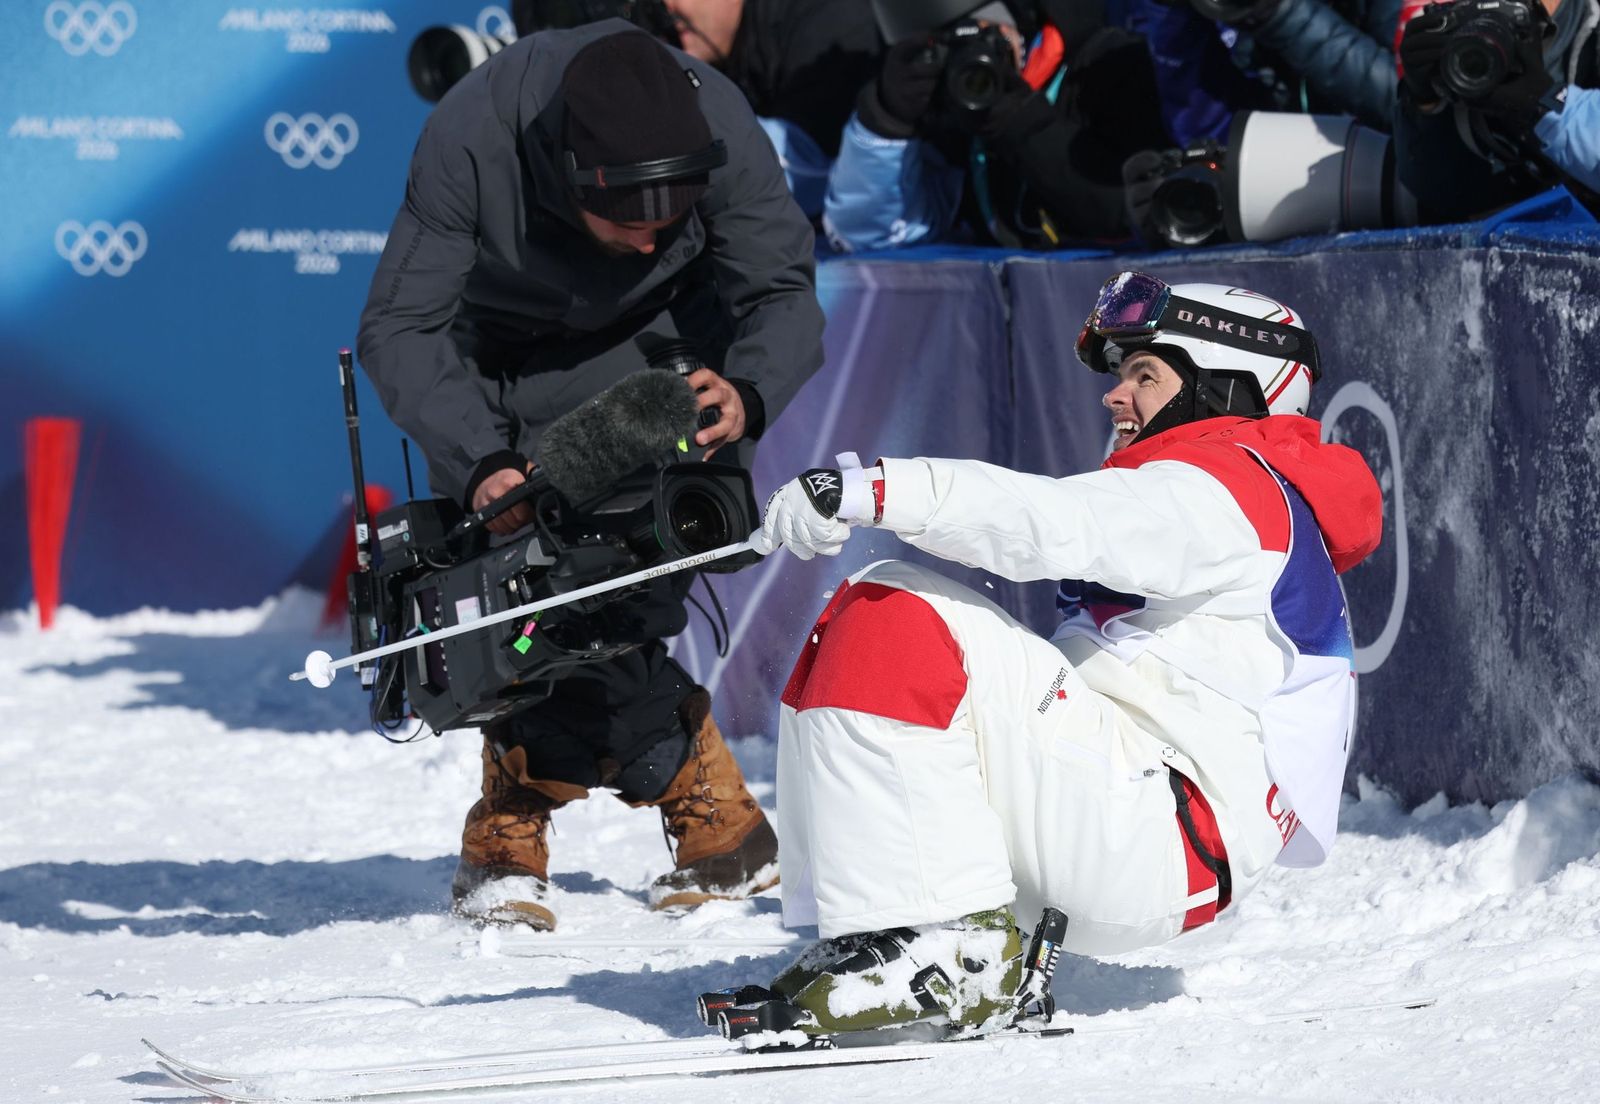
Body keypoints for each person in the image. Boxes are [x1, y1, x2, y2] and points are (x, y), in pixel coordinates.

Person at [750, 272, 1383, 1033]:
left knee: (894, 614)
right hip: (1142, 826)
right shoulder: (1228, 491)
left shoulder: (1228, 488)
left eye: (1145, 375)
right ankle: (912, 933)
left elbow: (1050, 520)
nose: (1116, 397)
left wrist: (875, 490)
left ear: (1224, 388)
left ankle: (949, 950)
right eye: (1121, 377)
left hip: (1157, 834)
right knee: (872, 624)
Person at [357, 20, 825, 930]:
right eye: (629, 224)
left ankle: (517, 814)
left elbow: (780, 289)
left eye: (670, 221)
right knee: (527, 586)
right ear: (571, 177)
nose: (652, 241)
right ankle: (702, 805)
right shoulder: (471, 136)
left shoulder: (716, 118)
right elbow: (400, 330)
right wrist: (480, 461)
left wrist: (752, 390)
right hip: (512, 358)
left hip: (671, 354)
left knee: (634, 568)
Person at [823, 0, 1172, 251]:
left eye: (981, 37)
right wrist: (886, 120)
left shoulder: (1108, 69)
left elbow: (1128, 212)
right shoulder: (947, 112)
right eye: (951, 46)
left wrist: (1015, 116)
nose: (969, 64)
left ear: (1020, 18)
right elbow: (872, 235)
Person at [1397, 0, 1599, 215]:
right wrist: (1425, 103)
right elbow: (1441, 197)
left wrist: (1546, 102)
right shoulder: (1466, 32)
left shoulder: (1589, 29)